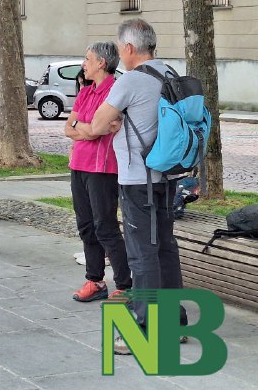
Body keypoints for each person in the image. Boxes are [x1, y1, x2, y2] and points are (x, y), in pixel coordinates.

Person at [91, 18, 188, 354]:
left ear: (129, 48)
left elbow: (98, 124)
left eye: (121, 48)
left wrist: (110, 123)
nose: (121, 53)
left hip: (138, 180)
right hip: (169, 176)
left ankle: (144, 329)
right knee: (165, 246)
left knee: (142, 253)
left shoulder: (131, 80)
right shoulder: (171, 74)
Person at [64, 42, 131, 302]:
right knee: (86, 226)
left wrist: (87, 128)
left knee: (106, 227)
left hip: (103, 168)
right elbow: (70, 128)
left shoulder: (116, 90)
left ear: (102, 62)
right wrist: (90, 128)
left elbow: (99, 127)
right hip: (78, 165)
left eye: (88, 59)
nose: (84, 63)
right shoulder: (86, 91)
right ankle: (95, 281)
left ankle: (126, 285)